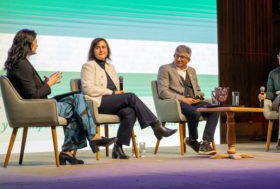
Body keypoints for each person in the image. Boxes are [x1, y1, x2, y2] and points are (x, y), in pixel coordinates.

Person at [4, 29, 117, 165]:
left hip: (38, 104)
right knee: (79, 104)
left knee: (78, 100)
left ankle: (68, 153)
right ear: (27, 43)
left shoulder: (20, 63)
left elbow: (32, 91)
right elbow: (33, 95)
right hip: (34, 108)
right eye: (35, 42)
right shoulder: (21, 65)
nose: (37, 44)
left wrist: (45, 83)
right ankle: (92, 137)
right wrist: (49, 84)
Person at [81, 38, 177, 159]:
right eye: (97, 47)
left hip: (112, 102)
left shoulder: (110, 67)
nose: (101, 50)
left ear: (107, 50)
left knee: (130, 112)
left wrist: (118, 94)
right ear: (93, 50)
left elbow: (116, 89)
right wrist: (112, 93)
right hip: (98, 103)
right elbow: (87, 89)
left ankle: (118, 147)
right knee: (130, 96)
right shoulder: (88, 66)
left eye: (103, 47)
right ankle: (156, 126)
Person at [157, 45, 218, 155]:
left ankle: (205, 143)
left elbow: (198, 90)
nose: (179, 59)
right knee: (194, 113)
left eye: (182, 57)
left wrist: (198, 97)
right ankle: (192, 140)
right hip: (177, 103)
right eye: (177, 56)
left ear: (188, 59)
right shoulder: (165, 69)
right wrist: (183, 99)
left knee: (215, 110)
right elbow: (163, 92)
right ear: (174, 55)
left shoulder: (192, 70)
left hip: (193, 102)